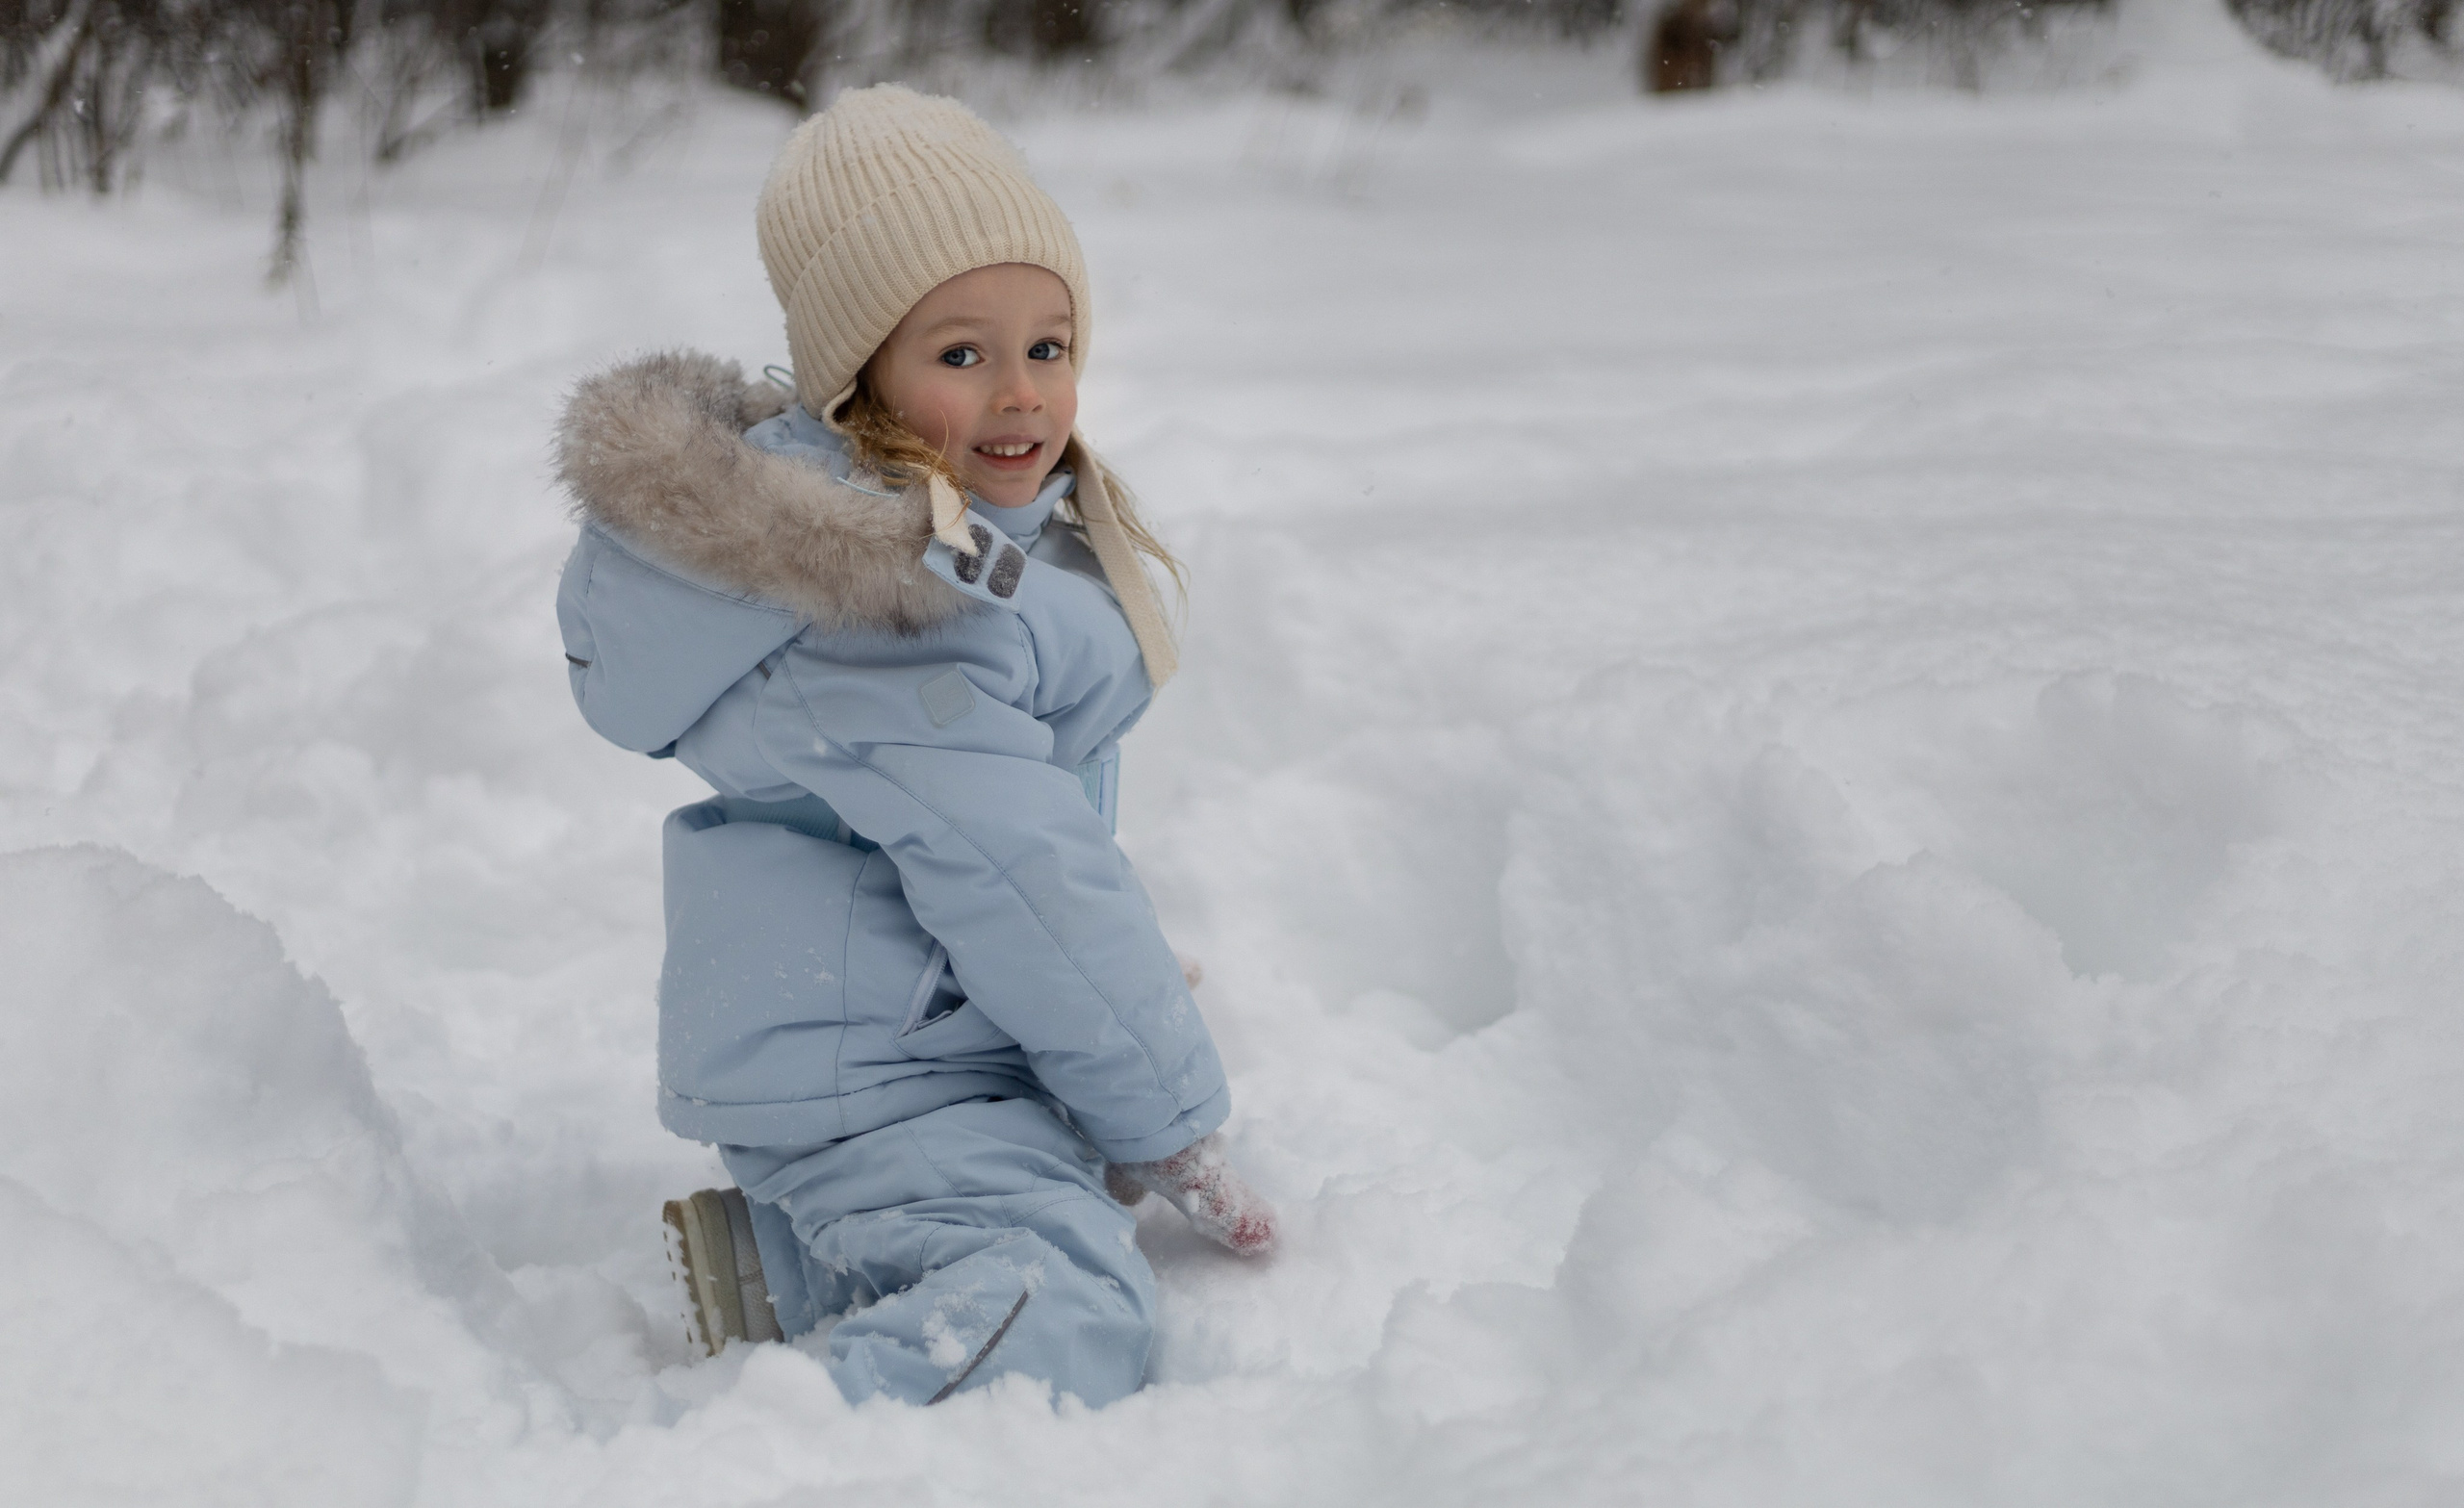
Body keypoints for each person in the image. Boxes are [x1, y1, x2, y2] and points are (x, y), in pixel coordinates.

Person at [551, 84, 1276, 1409]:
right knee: (1075, 1300)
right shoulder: (885, 608)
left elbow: (1011, 845)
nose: (1021, 393)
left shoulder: (933, 539)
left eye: (1049, 344)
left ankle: (784, 1262)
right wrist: (1170, 1123)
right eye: (960, 355)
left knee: (1066, 1172)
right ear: (857, 377)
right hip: (878, 1083)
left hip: (884, 1043)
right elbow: (1018, 870)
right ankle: (792, 1443)